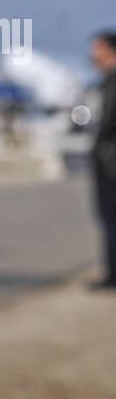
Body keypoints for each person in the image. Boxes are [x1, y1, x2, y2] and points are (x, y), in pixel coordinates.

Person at [90, 30, 116, 290]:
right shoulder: (105, 82)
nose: (93, 54)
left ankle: (112, 275)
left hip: (110, 165)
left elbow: (105, 124)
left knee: (110, 219)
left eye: (97, 48)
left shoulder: (111, 82)